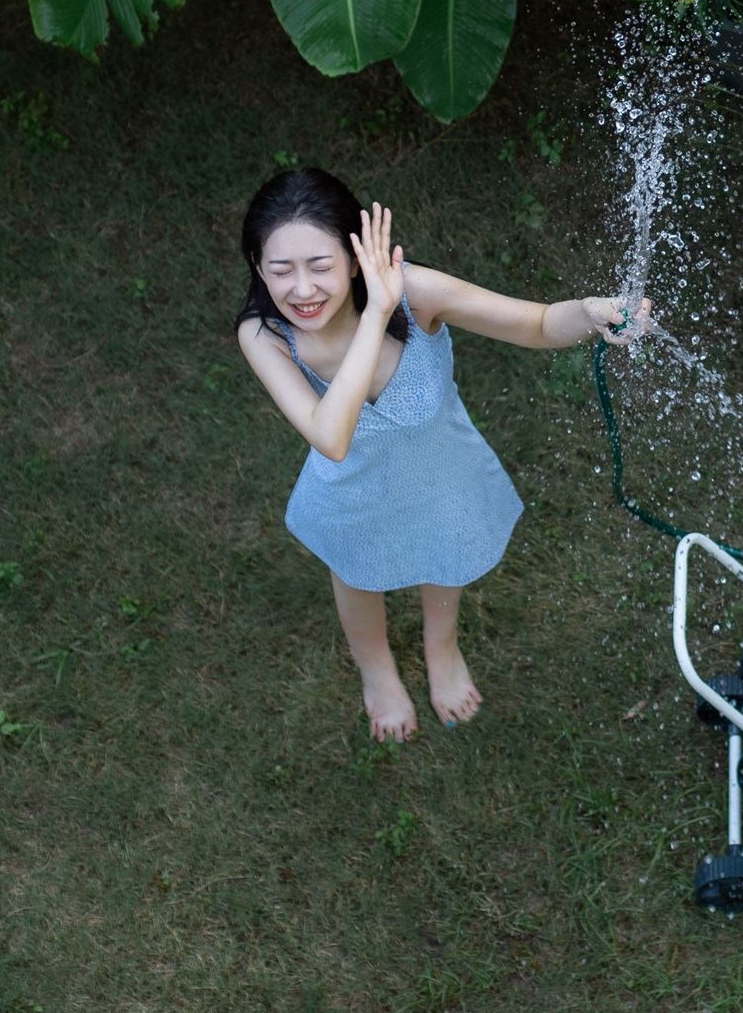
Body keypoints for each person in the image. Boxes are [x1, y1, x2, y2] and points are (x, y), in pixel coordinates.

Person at [233, 167, 645, 742]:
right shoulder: (265, 335)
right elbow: (330, 436)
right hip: (352, 492)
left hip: (441, 476)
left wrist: (590, 311)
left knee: (444, 551)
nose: (302, 290)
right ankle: (376, 669)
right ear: (258, 268)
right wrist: (375, 313)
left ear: (356, 258)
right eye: (280, 271)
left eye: (320, 267)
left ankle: (440, 647)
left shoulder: (417, 293)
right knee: (356, 574)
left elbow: (536, 324)